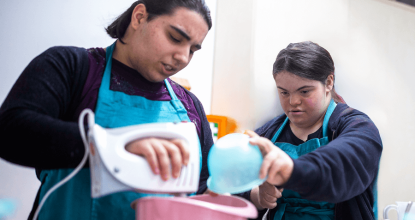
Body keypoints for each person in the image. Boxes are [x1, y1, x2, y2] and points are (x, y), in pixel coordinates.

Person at [0, 0, 214, 219]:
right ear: (139, 17)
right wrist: (111, 147)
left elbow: (204, 188)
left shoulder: (190, 105)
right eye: (175, 38)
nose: (183, 57)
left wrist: (248, 191)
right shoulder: (74, 68)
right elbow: (10, 131)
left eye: (192, 50)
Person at [240, 41, 382, 220]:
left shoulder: (359, 127)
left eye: (304, 92)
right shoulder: (268, 134)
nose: (293, 102)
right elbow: (235, 192)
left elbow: (341, 165)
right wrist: (257, 197)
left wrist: (291, 170)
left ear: (329, 82)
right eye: (284, 93)